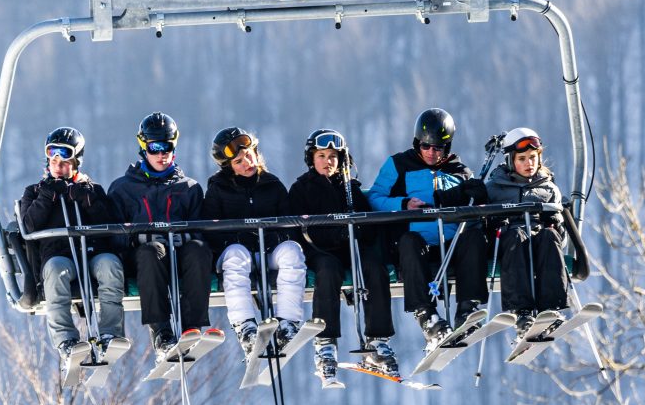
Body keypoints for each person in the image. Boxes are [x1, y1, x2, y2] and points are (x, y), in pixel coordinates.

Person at [367, 107, 489, 345]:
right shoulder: (399, 164)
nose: (431, 153)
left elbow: (475, 204)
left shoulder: (458, 171)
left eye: (438, 148)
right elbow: (373, 198)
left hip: (450, 245)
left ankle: (467, 309)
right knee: (409, 243)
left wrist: (474, 195)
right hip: (415, 242)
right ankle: (426, 315)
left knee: (473, 239)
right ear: (417, 143)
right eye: (425, 146)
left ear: (448, 147)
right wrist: (403, 203)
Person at [286, 130, 396, 380]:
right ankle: (325, 342)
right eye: (322, 156)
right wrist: (333, 235)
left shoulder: (350, 188)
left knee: (374, 268)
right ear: (312, 159)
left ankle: (377, 338)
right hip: (320, 250)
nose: (328, 162)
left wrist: (356, 231)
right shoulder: (302, 189)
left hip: (351, 248)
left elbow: (369, 224)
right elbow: (297, 228)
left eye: (333, 156)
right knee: (327, 271)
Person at [18, 126, 128, 366]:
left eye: (64, 158)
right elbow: (27, 226)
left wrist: (88, 201)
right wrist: (47, 198)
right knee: (56, 270)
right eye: (52, 157)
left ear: (76, 160)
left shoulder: (92, 190)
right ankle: (66, 341)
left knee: (110, 264)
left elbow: (111, 224)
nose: (57, 164)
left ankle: (109, 333)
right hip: (59, 256)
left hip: (92, 254)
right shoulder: (36, 192)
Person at [108, 112, 213, 358]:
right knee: (151, 251)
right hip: (143, 258)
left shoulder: (188, 188)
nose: (161, 154)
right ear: (143, 148)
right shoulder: (123, 188)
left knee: (198, 249)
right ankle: (162, 333)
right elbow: (114, 235)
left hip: (179, 252)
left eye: (167, 146)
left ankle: (192, 328)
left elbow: (199, 229)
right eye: (154, 147)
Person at [201, 127, 307, 359]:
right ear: (229, 167)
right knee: (236, 255)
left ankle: (287, 322)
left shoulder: (272, 184)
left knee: (292, 251)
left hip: (267, 250)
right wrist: (234, 240)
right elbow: (210, 229)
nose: (247, 162)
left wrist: (274, 239)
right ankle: (245, 327)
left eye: (249, 154)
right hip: (237, 253)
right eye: (238, 161)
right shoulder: (218, 189)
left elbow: (288, 224)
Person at [485, 127, 570, 335]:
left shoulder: (548, 188)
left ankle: (550, 308)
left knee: (549, 235)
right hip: (510, 242)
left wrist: (555, 224)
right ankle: (522, 311)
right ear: (510, 160)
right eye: (522, 158)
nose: (528, 163)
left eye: (533, 158)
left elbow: (561, 233)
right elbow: (483, 224)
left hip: (539, 240)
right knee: (516, 235)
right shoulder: (495, 188)